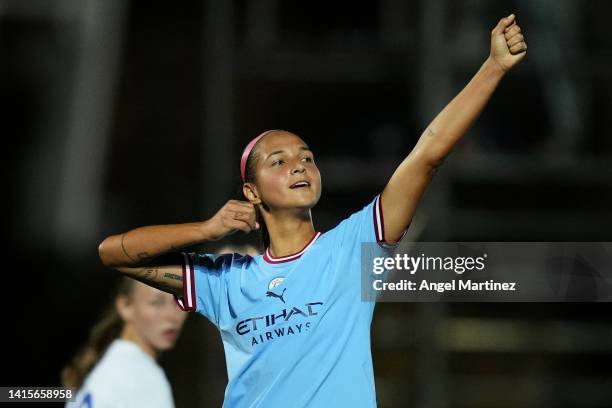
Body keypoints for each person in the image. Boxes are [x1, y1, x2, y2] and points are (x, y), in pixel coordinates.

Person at [97, 15, 527, 407]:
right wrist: (206, 228)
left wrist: (493, 67)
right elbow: (113, 253)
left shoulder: (354, 248)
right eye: (278, 161)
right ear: (251, 191)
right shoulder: (225, 280)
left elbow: (427, 153)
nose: (299, 165)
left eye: (306, 157)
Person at [62, 278, 188, 408]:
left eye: (180, 301)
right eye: (156, 302)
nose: (172, 315)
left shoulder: (104, 368)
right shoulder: (143, 377)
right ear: (126, 306)